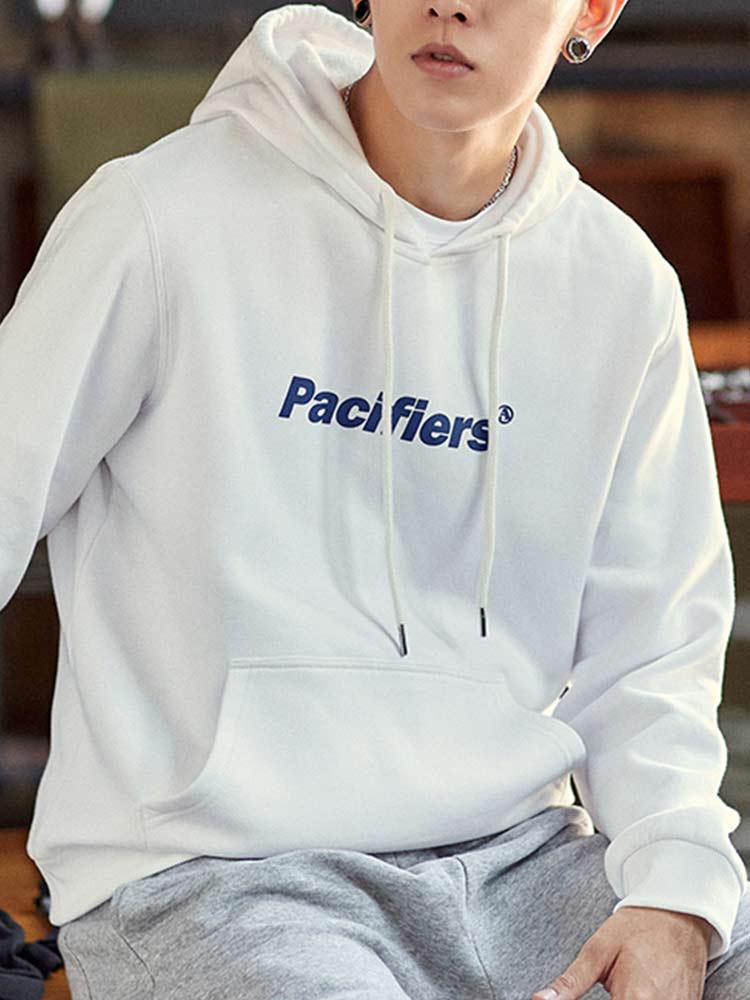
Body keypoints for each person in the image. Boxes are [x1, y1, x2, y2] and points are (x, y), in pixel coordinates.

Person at [1, 1, 748, 997]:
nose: (451, 4)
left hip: (525, 862)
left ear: (595, 10)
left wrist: (674, 893)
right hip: (217, 877)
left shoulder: (620, 286)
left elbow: (650, 651)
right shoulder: (158, 218)